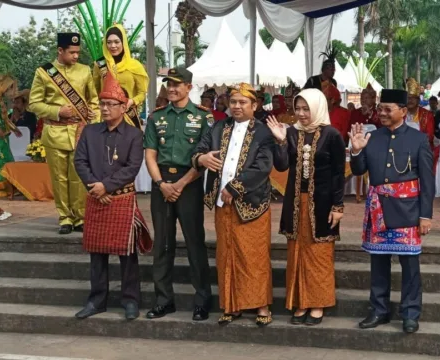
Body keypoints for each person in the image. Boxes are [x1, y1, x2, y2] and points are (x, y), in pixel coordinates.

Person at [349, 89, 434, 334]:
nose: (382, 113)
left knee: (410, 265)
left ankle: (410, 313)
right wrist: (356, 151)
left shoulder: (418, 139)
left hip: (408, 209)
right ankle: (378, 310)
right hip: (378, 209)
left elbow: (427, 180)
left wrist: (425, 215)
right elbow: (358, 170)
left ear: (403, 111)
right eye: (380, 108)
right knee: (378, 263)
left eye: (388, 109)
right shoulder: (372, 137)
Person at [192, 82, 274, 327]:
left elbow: (262, 167)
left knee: (254, 256)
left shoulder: (263, 132)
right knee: (226, 254)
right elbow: (199, 150)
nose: (237, 106)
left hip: (252, 204)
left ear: (255, 105)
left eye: (243, 102)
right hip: (222, 205)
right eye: (234, 101)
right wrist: (202, 158)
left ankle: (261, 305)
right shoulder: (219, 126)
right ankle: (231, 305)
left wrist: (234, 187)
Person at [73, 74, 152, 321]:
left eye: (110, 104)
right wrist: (94, 187)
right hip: (96, 197)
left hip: (120, 198)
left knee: (127, 254)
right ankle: (97, 301)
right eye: (102, 104)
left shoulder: (134, 135)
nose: (105, 109)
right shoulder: (90, 131)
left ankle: (130, 301)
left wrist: (105, 186)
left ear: (122, 106)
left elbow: (132, 167)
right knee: (97, 253)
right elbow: (80, 161)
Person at [267, 88, 345, 326]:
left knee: (318, 254)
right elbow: (281, 166)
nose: (300, 114)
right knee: (297, 253)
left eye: (306, 109)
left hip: (322, 204)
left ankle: (318, 303)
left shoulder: (332, 135)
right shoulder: (291, 133)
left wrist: (338, 206)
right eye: (297, 109)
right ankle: (301, 302)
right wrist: (279, 141)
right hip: (295, 203)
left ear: (318, 108)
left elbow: (338, 174)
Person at [144, 67, 212, 321]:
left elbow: (205, 158)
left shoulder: (204, 118)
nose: (171, 89)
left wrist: (181, 184)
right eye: (168, 84)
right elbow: (149, 154)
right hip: (161, 183)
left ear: (188, 87)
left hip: (190, 183)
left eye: (176, 84)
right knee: (162, 244)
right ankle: (164, 300)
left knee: (195, 243)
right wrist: (161, 183)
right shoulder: (156, 117)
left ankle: (202, 300)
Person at [29, 33, 100, 234]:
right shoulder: (44, 73)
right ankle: (65, 218)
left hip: (80, 132)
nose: (76, 56)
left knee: (79, 176)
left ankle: (80, 217)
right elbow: (34, 104)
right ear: (60, 51)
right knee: (59, 178)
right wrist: (57, 111)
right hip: (55, 132)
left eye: (78, 52)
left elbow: (93, 100)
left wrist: (92, 123)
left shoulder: (85, 71)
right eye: (72, 52)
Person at [93, 25, 148, 128]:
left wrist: (132, 101)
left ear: (123, 42)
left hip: (128, 117)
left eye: (116, 42)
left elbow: (142, 93)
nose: (113, 46)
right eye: (109, 42)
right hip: (106, 118)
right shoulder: (99, 65)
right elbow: (95, 92)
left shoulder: (135, 66)